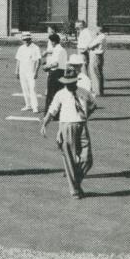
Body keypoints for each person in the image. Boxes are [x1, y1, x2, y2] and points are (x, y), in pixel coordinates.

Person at [40, 70, 96, 199]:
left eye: (71, 82)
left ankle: (75, 183)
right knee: (69, 159)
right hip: (67, 126)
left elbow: (93, 105)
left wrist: (86, 115)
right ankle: (75, 190)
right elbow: (52, 110)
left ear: (76, 81)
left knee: (87, 159)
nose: (69, 85)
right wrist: (45, 124)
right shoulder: (61, 94)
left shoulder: (84, 92)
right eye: (67, 83)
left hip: (82, 125)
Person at [14, 32, 42, 113]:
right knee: (25, 88)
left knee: (32, 88)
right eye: (24, 40)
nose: (25, 41)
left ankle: (35, 107)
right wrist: (17, 71)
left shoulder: (35, 48)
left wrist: (36, 72)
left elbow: (39, 60)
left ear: (30, 39)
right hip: (22, 71)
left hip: (31, 72)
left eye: (27, 40)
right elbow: (18, 60)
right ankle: (28, 105)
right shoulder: (21, 48)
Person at [43, 33, 69, 114]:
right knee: (58, 93)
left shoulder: (58, 50)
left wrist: (47, 67)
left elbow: (56, 63)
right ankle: (57, 113)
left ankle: (50, 113)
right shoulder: (60, 49)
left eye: (51, 42)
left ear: (53, 42)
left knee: (51, 94)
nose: (51, 44)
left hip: (55, 73)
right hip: (61, 72)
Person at [88, 25, 106, 96]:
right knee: (96, 73)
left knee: (96, 73)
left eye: (97, 28)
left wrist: (89, 47)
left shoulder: (101, 37)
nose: (95, 30)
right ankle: (97, 90)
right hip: (97, 56)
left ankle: (98, 91)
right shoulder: (100, 36)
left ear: (100, 29)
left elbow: (91, 46)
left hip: (97, 56)